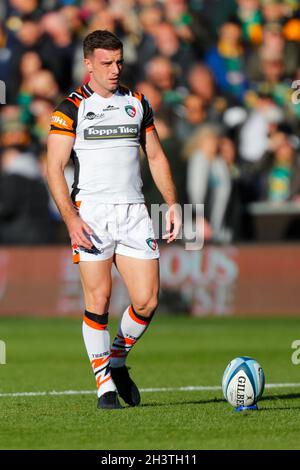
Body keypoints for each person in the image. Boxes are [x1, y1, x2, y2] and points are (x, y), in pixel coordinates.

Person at [47, 30, 181, 410]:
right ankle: (104, 384)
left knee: (147, 301)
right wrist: (71, 219)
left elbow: (155, 156)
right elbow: (54, 168)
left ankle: (117, 359)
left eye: (119, 62)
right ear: (88, 64)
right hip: (91, 213)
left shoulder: (137, 103)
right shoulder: (70, 108)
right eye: (106, 63)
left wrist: (172, 203)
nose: (114, 69)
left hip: (135, 211)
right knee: (99, 299)